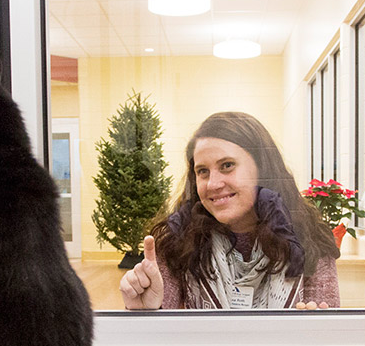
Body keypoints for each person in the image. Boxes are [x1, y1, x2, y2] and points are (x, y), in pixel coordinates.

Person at [121, 111, 340, 310]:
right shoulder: (177, 242)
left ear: (262, 169)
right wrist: (147, 311)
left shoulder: (309, 238)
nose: (213, 184)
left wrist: (316, 330)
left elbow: (329, 341)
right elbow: (160, 341)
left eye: (227, 165)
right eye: (203, 171)